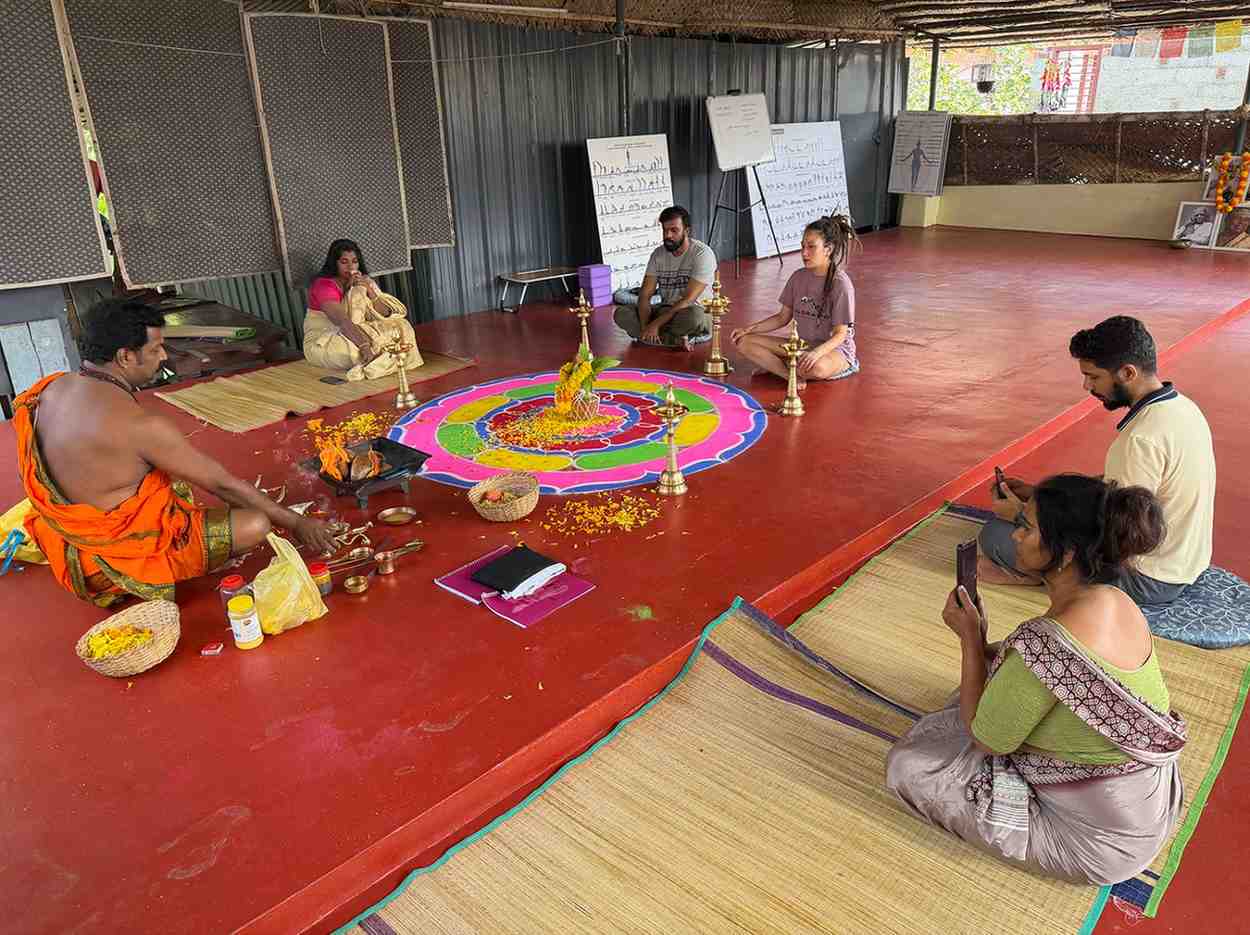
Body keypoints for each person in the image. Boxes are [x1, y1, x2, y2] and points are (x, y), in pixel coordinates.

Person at [887, 475, 1186, 885]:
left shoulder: (1046, 642)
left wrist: (971, 643)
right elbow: (1064, 676)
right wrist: (987, 652)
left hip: (1095, 842)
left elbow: (987, 741)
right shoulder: (1119, 602)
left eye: (1026, 527)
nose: (1014, 536)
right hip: (1149, 805)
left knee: (909, 765)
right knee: (987, 683)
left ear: (1066, 553)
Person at [12, 299, 337, 607]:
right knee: (254, 523)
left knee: (167, 480)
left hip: (69, 552)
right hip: (113, 566)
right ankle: (146, 576)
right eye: (155, 349)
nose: (164, 356)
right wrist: (297, 524)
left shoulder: (49, 390)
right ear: (125, 357)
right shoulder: (141, 426)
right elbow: (222, 485)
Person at [980, 316, 1215, 608]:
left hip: (1148, 579)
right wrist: (1040, 497)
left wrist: (1022, 517)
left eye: (1094, 377)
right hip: (1186, 562)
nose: (1086, 385)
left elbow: (1114, 535)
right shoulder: (1183, 408)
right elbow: (1114, 493)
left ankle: (1035, 576)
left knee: (995, 535)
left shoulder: (1139, 440)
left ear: (1127, 373)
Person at [730, 215, 860, 389]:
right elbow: (782, 317)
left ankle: (781, 364)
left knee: (817, 368)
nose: (804, 253)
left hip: (833, 351)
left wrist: (815, 353)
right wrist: (749, 329)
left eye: (811, 247)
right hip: (802, 345)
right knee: (744, 342)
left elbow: (840, 334)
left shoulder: (841, 284)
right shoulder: (798, 277)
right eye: (803, 246)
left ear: (828, 249)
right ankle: (788, 375)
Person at [303, 239, 423, 380]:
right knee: (352, 354)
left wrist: (368, 290)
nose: (350, 266)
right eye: (344, 262)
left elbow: (385, 314)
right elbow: (342, 321)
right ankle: (386, 355)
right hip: (327, 338)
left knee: (402, 326)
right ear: (334, 263)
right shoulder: (324, 286)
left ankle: (380, 355)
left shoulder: (363, 281)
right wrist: (364, 345)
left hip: (359, 330)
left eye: (354, 261)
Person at [612, 206, 717, 350]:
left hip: (692, 310)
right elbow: (645, 295)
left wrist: (655, 324)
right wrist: (645, 327)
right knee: (622, 313)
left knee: (694, 317)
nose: (668, 235)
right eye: (665, 230)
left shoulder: (702, 254)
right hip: (666, 310)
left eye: (674, 230)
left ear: (686, 231)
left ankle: (664, 337)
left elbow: (688, 300)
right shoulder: (658, 254)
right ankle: (675, 339)